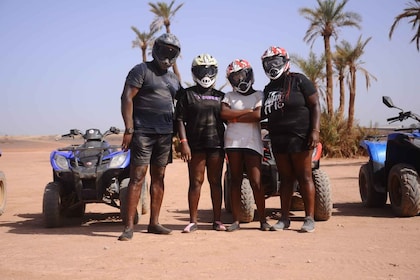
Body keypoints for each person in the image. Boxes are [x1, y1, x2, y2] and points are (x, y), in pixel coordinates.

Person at [118, 33, 182, 241]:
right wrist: (129, 130)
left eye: (172, 52)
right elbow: (126, 97)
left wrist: (181, 138)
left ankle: (154, 223)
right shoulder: (141, 70)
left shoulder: (173, 78)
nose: (167, 55)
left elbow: (180, 107)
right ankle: (128, 227)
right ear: (156, 49)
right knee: (137, 177)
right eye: (164, 50)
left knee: (159, 177)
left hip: (165, 134)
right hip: (143, 132)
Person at [260, 46, 321, 233]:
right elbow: (263, 114)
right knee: (285, 179)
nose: (272, 66)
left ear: (285, 62)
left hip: (301, 137)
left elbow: (315, 104)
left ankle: (309, 219)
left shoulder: (299, 80)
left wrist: (315, 131)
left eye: (276, 61)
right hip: (278, 139)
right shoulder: (268, 88)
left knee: (304, 176)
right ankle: (284, 219)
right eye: (268, 63)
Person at [175, 53, 226, 233]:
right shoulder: (188, 95)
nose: (205, 74)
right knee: (195, 182)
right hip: (195, 146)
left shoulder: (222, 96)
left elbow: (229, 120)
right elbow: (179, 120)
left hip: (217, 145)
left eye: (209, 70)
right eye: (201, 70)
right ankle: (193, 221)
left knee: (215, 182)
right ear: (194, 72)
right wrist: (184, 143)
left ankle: (217, 221)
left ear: (215, 72)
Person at [220, 59, 271, 232]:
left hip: (252, 142)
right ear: (231, 80)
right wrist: (246, 112)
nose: (240, 80)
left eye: (242, 75)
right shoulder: (229, 96)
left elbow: (257, 115)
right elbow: (224, 113)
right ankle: (236, 221)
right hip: (233, 142)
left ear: (249, 75)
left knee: (256, 182)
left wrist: (234, 117)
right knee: (235, 180)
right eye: (235, 78)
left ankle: (263, 220)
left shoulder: (259, 95)